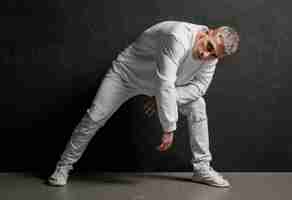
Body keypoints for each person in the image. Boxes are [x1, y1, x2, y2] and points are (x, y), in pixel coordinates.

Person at [48, 20, 240, 188]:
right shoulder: (177, 36)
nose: (206, 56)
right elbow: (164, 82)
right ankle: (63, 166)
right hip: (127, 76)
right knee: (94, 117)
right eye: (208, 47)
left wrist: (160, 98)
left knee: (198, 104)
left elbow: (199, 88)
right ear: (208, 32)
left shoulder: (212, 56)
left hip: (163, 87)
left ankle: (202, 168)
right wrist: (168, 127)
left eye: (214, 55)